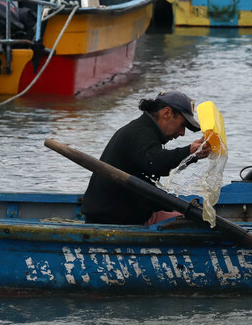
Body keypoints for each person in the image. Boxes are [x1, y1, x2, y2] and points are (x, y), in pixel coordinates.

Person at [81, 90, 211, 225]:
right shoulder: (140, 133)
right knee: (197, 223)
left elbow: (152, 175)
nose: (182, 133)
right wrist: (189, 152)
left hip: (125, 213)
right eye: (182, 125)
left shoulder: (143, 130)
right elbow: (155, 162)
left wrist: (193, 155)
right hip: (111, 220)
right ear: (167, 113)